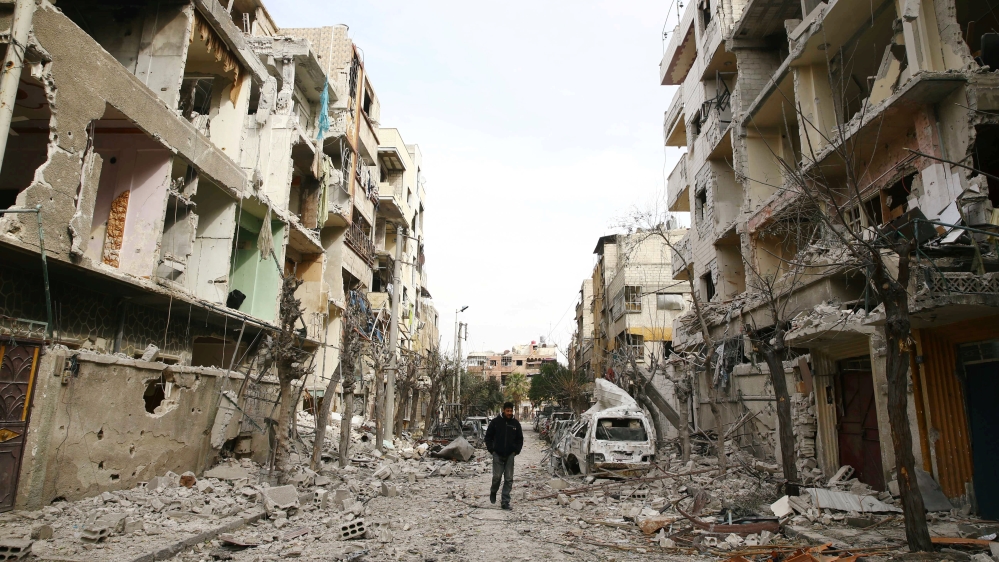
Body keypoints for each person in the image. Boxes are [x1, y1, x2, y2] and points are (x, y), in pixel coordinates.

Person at [484, 401, 523, 510]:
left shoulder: (515, 424)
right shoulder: (496, 422)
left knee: (509, 479)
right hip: (497, 454)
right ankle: (493, 491)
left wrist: (516, 451)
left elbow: (520, 439)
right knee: (497, 477)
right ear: (503, 410)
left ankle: (505, 501)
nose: (509, 413)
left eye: (511, 411)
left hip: (510, 455)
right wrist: (491, 450)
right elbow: (488, 437)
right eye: (507, 411)